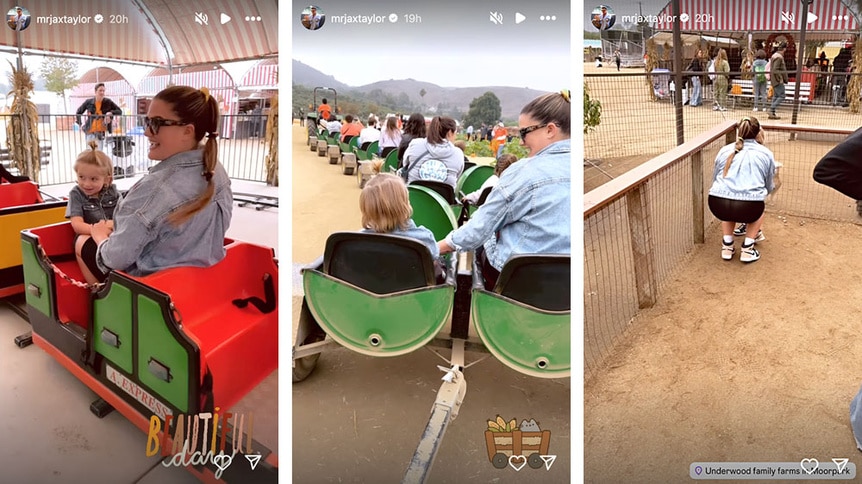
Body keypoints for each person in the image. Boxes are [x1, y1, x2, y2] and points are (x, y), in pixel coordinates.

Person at [85, 86, 233, 283]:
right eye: (147, 121)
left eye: (156, 123)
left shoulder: (154, 189)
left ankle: (98, 310)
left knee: (82, 244)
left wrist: (100, 237)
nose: (146, 132)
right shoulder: (215, 170)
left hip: (154, 290)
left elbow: (115, 258)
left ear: (187, 131)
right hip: (203, 282)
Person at [437, 91, 571, 289]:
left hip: (518, 282)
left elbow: (479, 228)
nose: (521, 142)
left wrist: (434, 248)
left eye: (525, 132)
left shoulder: (524, 171)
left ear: (550, 130)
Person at [707, 117, 776, 263]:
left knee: (730, 204)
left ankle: (727, 246)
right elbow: (768, 184)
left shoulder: (725, 150)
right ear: (758, 132)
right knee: (759, 208)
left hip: (716, 203)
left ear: (740, 131)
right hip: (749, 207)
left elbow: (715, 178)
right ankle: (747, 249)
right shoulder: (766, 153)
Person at [68, 141, 121, 284]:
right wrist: (97, 230)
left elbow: (123, 217)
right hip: (89, 236)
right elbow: (77, 224)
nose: (86, 184)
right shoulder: (76, 194)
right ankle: (96, 287)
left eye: (93, 179)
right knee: (82, 241)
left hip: (111, 235)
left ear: (107, 180)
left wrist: (110, 227)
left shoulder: (113, 193)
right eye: (81, 177)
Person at [359, 173, 439, 260]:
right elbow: (435, 255)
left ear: (366, 210)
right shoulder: (423, 238)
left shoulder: (357, 241)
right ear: (406, 206)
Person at [402, 116, 465, 188]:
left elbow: (405, 164)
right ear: (450, 132)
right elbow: (457, 176)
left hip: (414, 196)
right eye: (455, 133)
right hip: (443, 198)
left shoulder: (415, 144)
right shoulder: (458, 154)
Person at [76, 83, 123, 151]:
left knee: (99, 153)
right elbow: (78, 112)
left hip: (101, 132)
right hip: (91, 131)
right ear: (95, 91)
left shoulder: (108, 102)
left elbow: (119, 111)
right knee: (92, 152)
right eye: (100, 90)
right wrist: (80, 123)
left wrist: (111, 113)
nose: (102, 92)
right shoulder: (89, 102)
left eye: (103, 91)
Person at [768, 42, 789, 119]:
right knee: (782, 96)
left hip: (774, 79)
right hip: (778, 80)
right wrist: (780, 78)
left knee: (776, 96)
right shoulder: (779, 57)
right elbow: (775, 69)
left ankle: (772, 113)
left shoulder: (774, 56)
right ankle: (771, 109)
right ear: (784, 49)